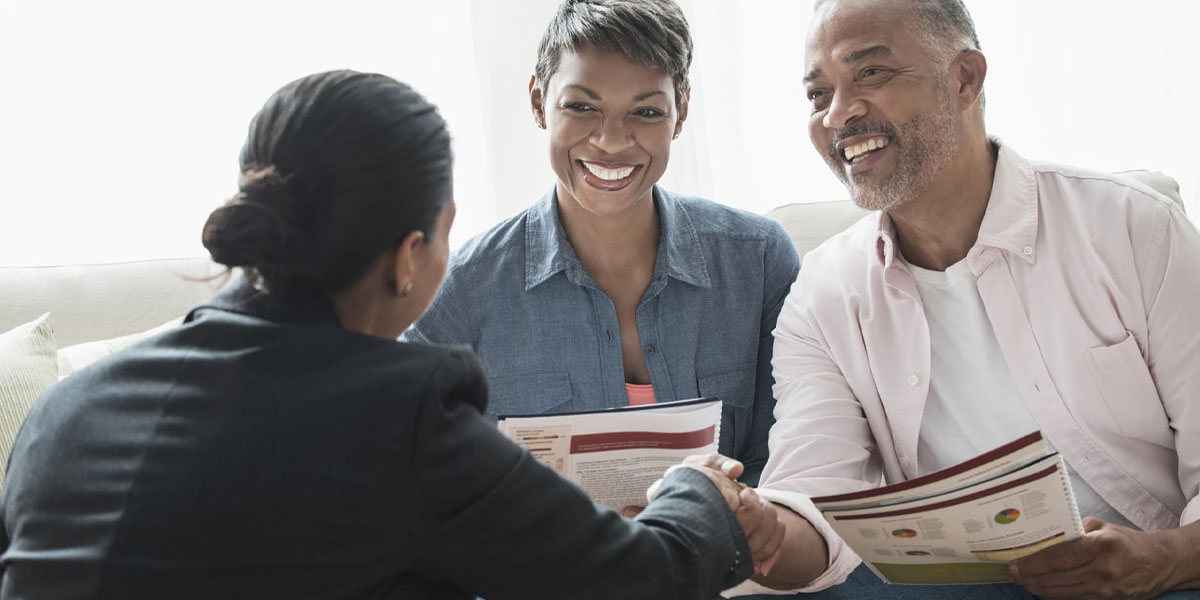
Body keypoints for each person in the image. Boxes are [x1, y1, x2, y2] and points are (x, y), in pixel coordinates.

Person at [0, 70, 771, 599]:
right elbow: (641, 580)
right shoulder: (398, 411)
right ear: (410, 256)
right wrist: (699, 493)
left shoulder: (66, 410)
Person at [727, 0, 1200, 598]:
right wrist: (754, 525)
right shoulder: (822, 296)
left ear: (965, 78)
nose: (837, 114)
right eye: (818, 94)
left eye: (870, 73)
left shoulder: (1135, 229)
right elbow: (816, 504)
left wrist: (1165, 558)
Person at [402, 0, 799, 488]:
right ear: (537, 102)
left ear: (681, 113)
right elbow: (408, 467)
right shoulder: (462, 288)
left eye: (646, 111)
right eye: (582, 106)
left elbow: (786, 463)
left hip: (733, 558)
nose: (611, 141)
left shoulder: (757, 261)